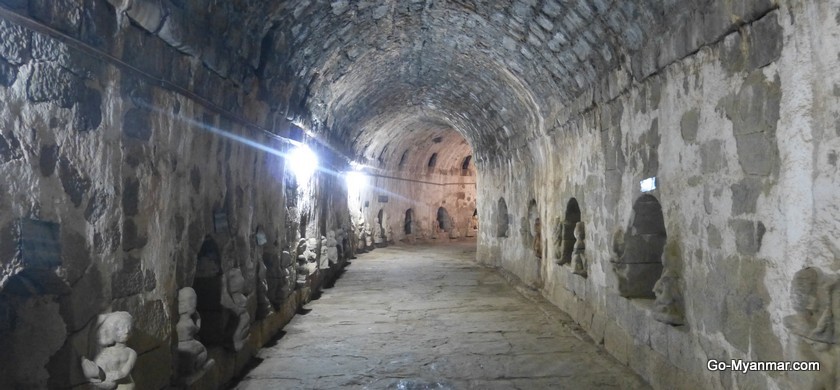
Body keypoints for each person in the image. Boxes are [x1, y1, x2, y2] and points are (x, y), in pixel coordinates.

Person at [81, 312, 137, 390]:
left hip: (126, 385)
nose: (126, 331)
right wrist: (96, 374)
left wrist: (119, 374)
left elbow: (128, 368)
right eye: (120, 328)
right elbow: (101, 373)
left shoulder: (131, 352)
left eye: (129, 327)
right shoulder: (105, 353)